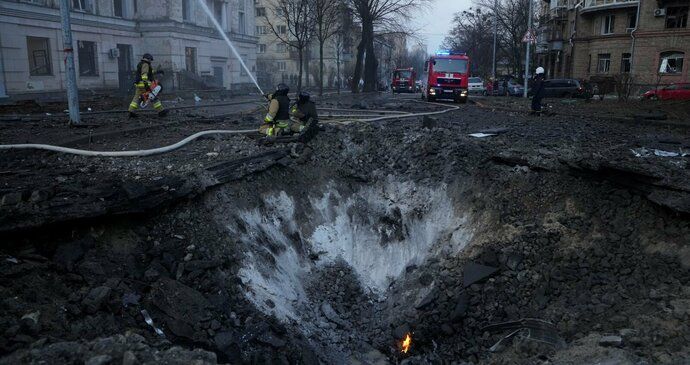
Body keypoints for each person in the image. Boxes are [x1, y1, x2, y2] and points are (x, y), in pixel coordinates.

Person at [128, 53, 167, 118]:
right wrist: (146, 84)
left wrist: (157, 71)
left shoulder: (141, 64)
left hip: (139, 85)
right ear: (148, 58)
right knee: (153, 97)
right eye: (150, 59)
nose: (151, 61)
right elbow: (144, 74)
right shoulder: (145, 64)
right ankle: (161, 111)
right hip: (144, 85)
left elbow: (150, 72)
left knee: (136, 98)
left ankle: (131, 111)